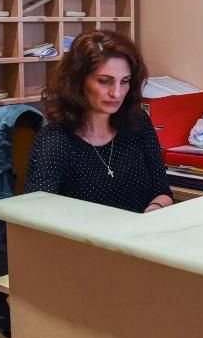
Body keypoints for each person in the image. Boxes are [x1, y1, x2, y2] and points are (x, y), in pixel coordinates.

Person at [24, 30, 173, 213]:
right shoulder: (55, 140)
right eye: (104, 81)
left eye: (124, 81)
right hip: (81, 232)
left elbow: (162, 191)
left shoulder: (138, 122)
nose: (116, 93)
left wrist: (153, 209)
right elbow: (37, 214)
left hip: (139, 229)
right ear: (78, 82)